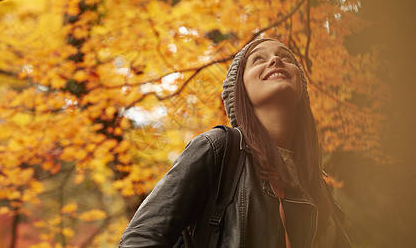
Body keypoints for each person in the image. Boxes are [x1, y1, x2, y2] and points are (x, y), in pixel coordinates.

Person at [119, 38, 352, 247]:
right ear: (240, 89)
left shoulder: (317, 185)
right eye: (258, 58)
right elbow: (139, 238)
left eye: (285, 57)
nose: (275, 61)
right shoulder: (219, 149)